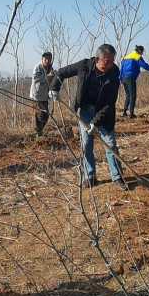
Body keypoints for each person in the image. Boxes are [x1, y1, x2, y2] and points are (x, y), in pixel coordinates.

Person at [48, 44, 129, 191]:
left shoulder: (114, 74)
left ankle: (118, 177)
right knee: (86, 145)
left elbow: (110, 104)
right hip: (85, 110)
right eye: (107, 61)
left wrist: (95, 123)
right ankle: (90, 176)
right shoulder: (84, 66)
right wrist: (54, 88)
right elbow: (61, 73)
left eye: (112, 60)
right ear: (98, 59)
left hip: (104, 113)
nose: (111, 64)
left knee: (110, 144)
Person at [119, 45, 149, 118]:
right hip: (130, 78)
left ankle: (124, 112)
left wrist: (120, 78)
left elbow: (121, 69)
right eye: (142, 52)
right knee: (133, 95)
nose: (142, 53)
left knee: (128, 95)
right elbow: (145, 66)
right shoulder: (137, 57)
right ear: (140, 51)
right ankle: (131, 114)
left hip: (123, 78)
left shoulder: (126, 56)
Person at [29, 52, 55, 137]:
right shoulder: (38, 67)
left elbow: (52, 78)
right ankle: (38, 133)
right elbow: (36, 78)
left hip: (45, 95)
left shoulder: (50, 68)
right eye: (46, 59)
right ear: (42, 59)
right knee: (40, 114)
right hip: (37, 95)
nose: (47, 61)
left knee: (47, 114)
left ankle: (39, 131)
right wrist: (48, 76)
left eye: (49, 59)